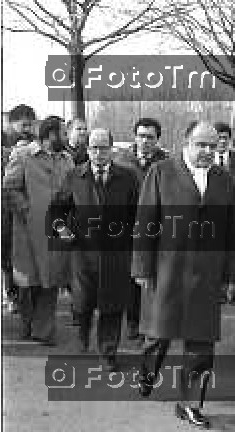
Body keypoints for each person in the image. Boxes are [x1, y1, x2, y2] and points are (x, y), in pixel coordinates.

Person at [132, 121, 235, 429]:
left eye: (213, 146)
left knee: (202, 343)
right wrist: (141, 268)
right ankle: (147, 373)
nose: (208, 151)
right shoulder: (162, 172)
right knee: (158, 335)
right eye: (201, 145)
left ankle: (190, 403)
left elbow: (233, 230)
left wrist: (232, 274)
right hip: (167, 270)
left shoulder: (224, 180)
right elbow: (145, 221)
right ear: (186, 142)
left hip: (207, 275)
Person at [53, 128, 140, 369]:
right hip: (83, 251)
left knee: (113, 304)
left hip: (116, 252)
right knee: (82, 302)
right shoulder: (74, 176)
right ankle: (82, 334)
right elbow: (58, 209)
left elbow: (138, 213)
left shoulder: (128, 177)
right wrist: (62, 230)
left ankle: (108, 352)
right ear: (87, 149)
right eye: (94, 148)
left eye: (103, 148)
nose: (98, 153)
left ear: (112, 149)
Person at [3, 116, 74, 344]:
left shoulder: (67, 160)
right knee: (28, 281)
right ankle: (29, 323)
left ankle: (44, 330)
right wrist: (27, 211)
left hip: (57, 229)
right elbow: (10, 187)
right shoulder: (23, 156)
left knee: (52, 280)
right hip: (27, 233)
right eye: (63, 133)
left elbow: (72, 191)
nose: (66, 137)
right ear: (51, 135)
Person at [114, 117, 169, 342]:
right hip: (126, 228)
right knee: (131, 278)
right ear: (134, 137)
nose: (145, 141)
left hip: (156, 229)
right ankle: (133, 322)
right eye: (141, 136)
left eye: (150, 137)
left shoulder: (166, 164)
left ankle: (155, 321)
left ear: (157, 140)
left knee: (155, 278)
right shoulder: (122, 162)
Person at [2, 104, 37, 312]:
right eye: (23, 124)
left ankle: (18, 298)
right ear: (10, 123)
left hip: (20, 209)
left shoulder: (32, 145)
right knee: (6, 256)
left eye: (30, 125)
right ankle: (11, 295)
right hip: (3, 209)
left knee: (18, 256)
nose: (27, 128)